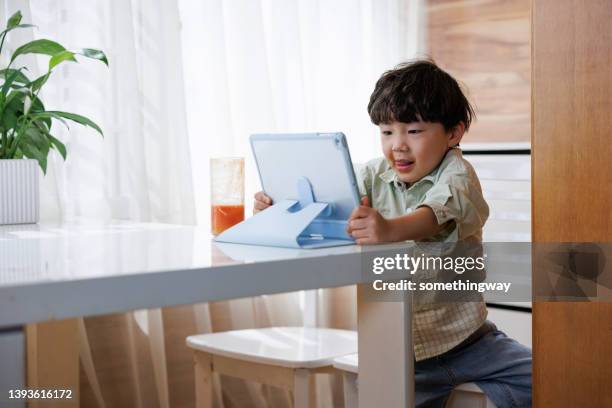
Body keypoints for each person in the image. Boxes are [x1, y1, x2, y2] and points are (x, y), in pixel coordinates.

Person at [254, 60, 531, 408]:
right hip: (402, 355)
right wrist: (280, 205)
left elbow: (432, 217)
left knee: (562, 380)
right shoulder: (374, 174)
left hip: (473, 344)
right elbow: (329, 192)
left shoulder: (458, 175)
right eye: (387, 131)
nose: (398, 145)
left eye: (413, 131)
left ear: (453, 133)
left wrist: (389, 229)